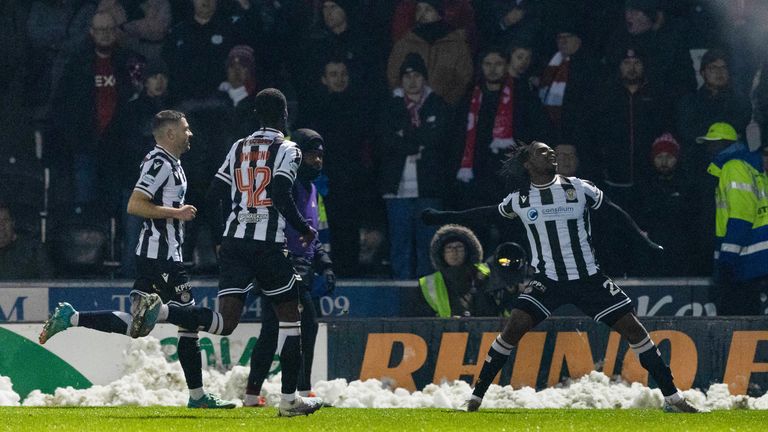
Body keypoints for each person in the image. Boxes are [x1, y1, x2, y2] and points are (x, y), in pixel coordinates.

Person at [421, 141, 702, 413]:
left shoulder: (578, 188)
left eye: (551, 151)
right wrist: (443, 216)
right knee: (512, 329)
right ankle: (475, 398)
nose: (551, 154)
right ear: (529, 163)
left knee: (636, 331)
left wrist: (643, 240)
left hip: (589, 279)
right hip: (549, 281)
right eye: (543, 152)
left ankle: (673, 399)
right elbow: (485, 213)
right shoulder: (520, 200)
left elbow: (614, 213)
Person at [130, 89, 324, 416]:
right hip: (267, 245)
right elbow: (279, 192)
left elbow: (213, 193)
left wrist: (221, 236)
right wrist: (303, 227)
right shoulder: (288, 149)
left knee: (225, 322)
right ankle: (290, 400)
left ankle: (163, 312)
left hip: (235, 243)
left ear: (256, 115)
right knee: (292, 321)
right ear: (284, 115)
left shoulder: (239, 147)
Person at [38, 110, 235, 409]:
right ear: (170, 134)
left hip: (161, 254)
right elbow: (135, 204)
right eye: (186, 128)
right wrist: (176, 213)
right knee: (192, 320)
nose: (190, 133)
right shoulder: (159, 163)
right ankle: (194, 390)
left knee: (138, 327)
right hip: (161, 257)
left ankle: (72, 317)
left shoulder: (172, 163)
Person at [244, 128, 335, 407]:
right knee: (307, 325)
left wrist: (325, 264)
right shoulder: (286, 185)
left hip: (303, 267)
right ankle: (301, 391)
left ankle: (251, 395)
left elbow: (313, 234)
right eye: (310, 155)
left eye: (320, 156)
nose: (317, 161)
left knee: (272, 332)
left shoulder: (313, 190)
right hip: (281, 264)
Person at [378, 53, 451, 279]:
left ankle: (426, 300)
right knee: (400, 246)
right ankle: (401, 299)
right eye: (407, 75)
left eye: (417, 75)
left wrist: (405, 137)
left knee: (429, 247)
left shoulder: (438, 104)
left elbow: (439, 139)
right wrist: (418, 141)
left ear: (425, 78)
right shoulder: (389, 106)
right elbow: (385, 141)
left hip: (429, 188)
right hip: (396, 190)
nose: (412, 80)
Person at [697, 123, 768, 315]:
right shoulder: (751, 166)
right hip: (755, 257)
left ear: (726, 143)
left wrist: (727, 259)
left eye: (713, 143)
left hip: (742, 259)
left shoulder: (732, 166)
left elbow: (741, 216)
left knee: (734, 316)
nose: (709, 148)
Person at [387, 0, 473, 106]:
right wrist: (406, 102)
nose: (422, 14)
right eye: (419, 10)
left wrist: (444, 104)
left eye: (428, 9)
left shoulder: (457, 44)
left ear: (439, 13)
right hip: (409, 110)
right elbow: (393, 75)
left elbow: (463, 78)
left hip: (445, 111)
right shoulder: (405, 43)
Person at [416, 224, 496, 317]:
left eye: (459, 247)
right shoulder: (427, 284)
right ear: (442, 254)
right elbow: (422, 322)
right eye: (449, 248)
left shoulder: (488, 275)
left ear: (467, 251)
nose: (454, 252)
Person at [0, 202, 52, 279]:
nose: (1, 226)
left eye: (5, 220)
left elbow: (49, 283)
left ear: (13, 223)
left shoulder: (34, 249)